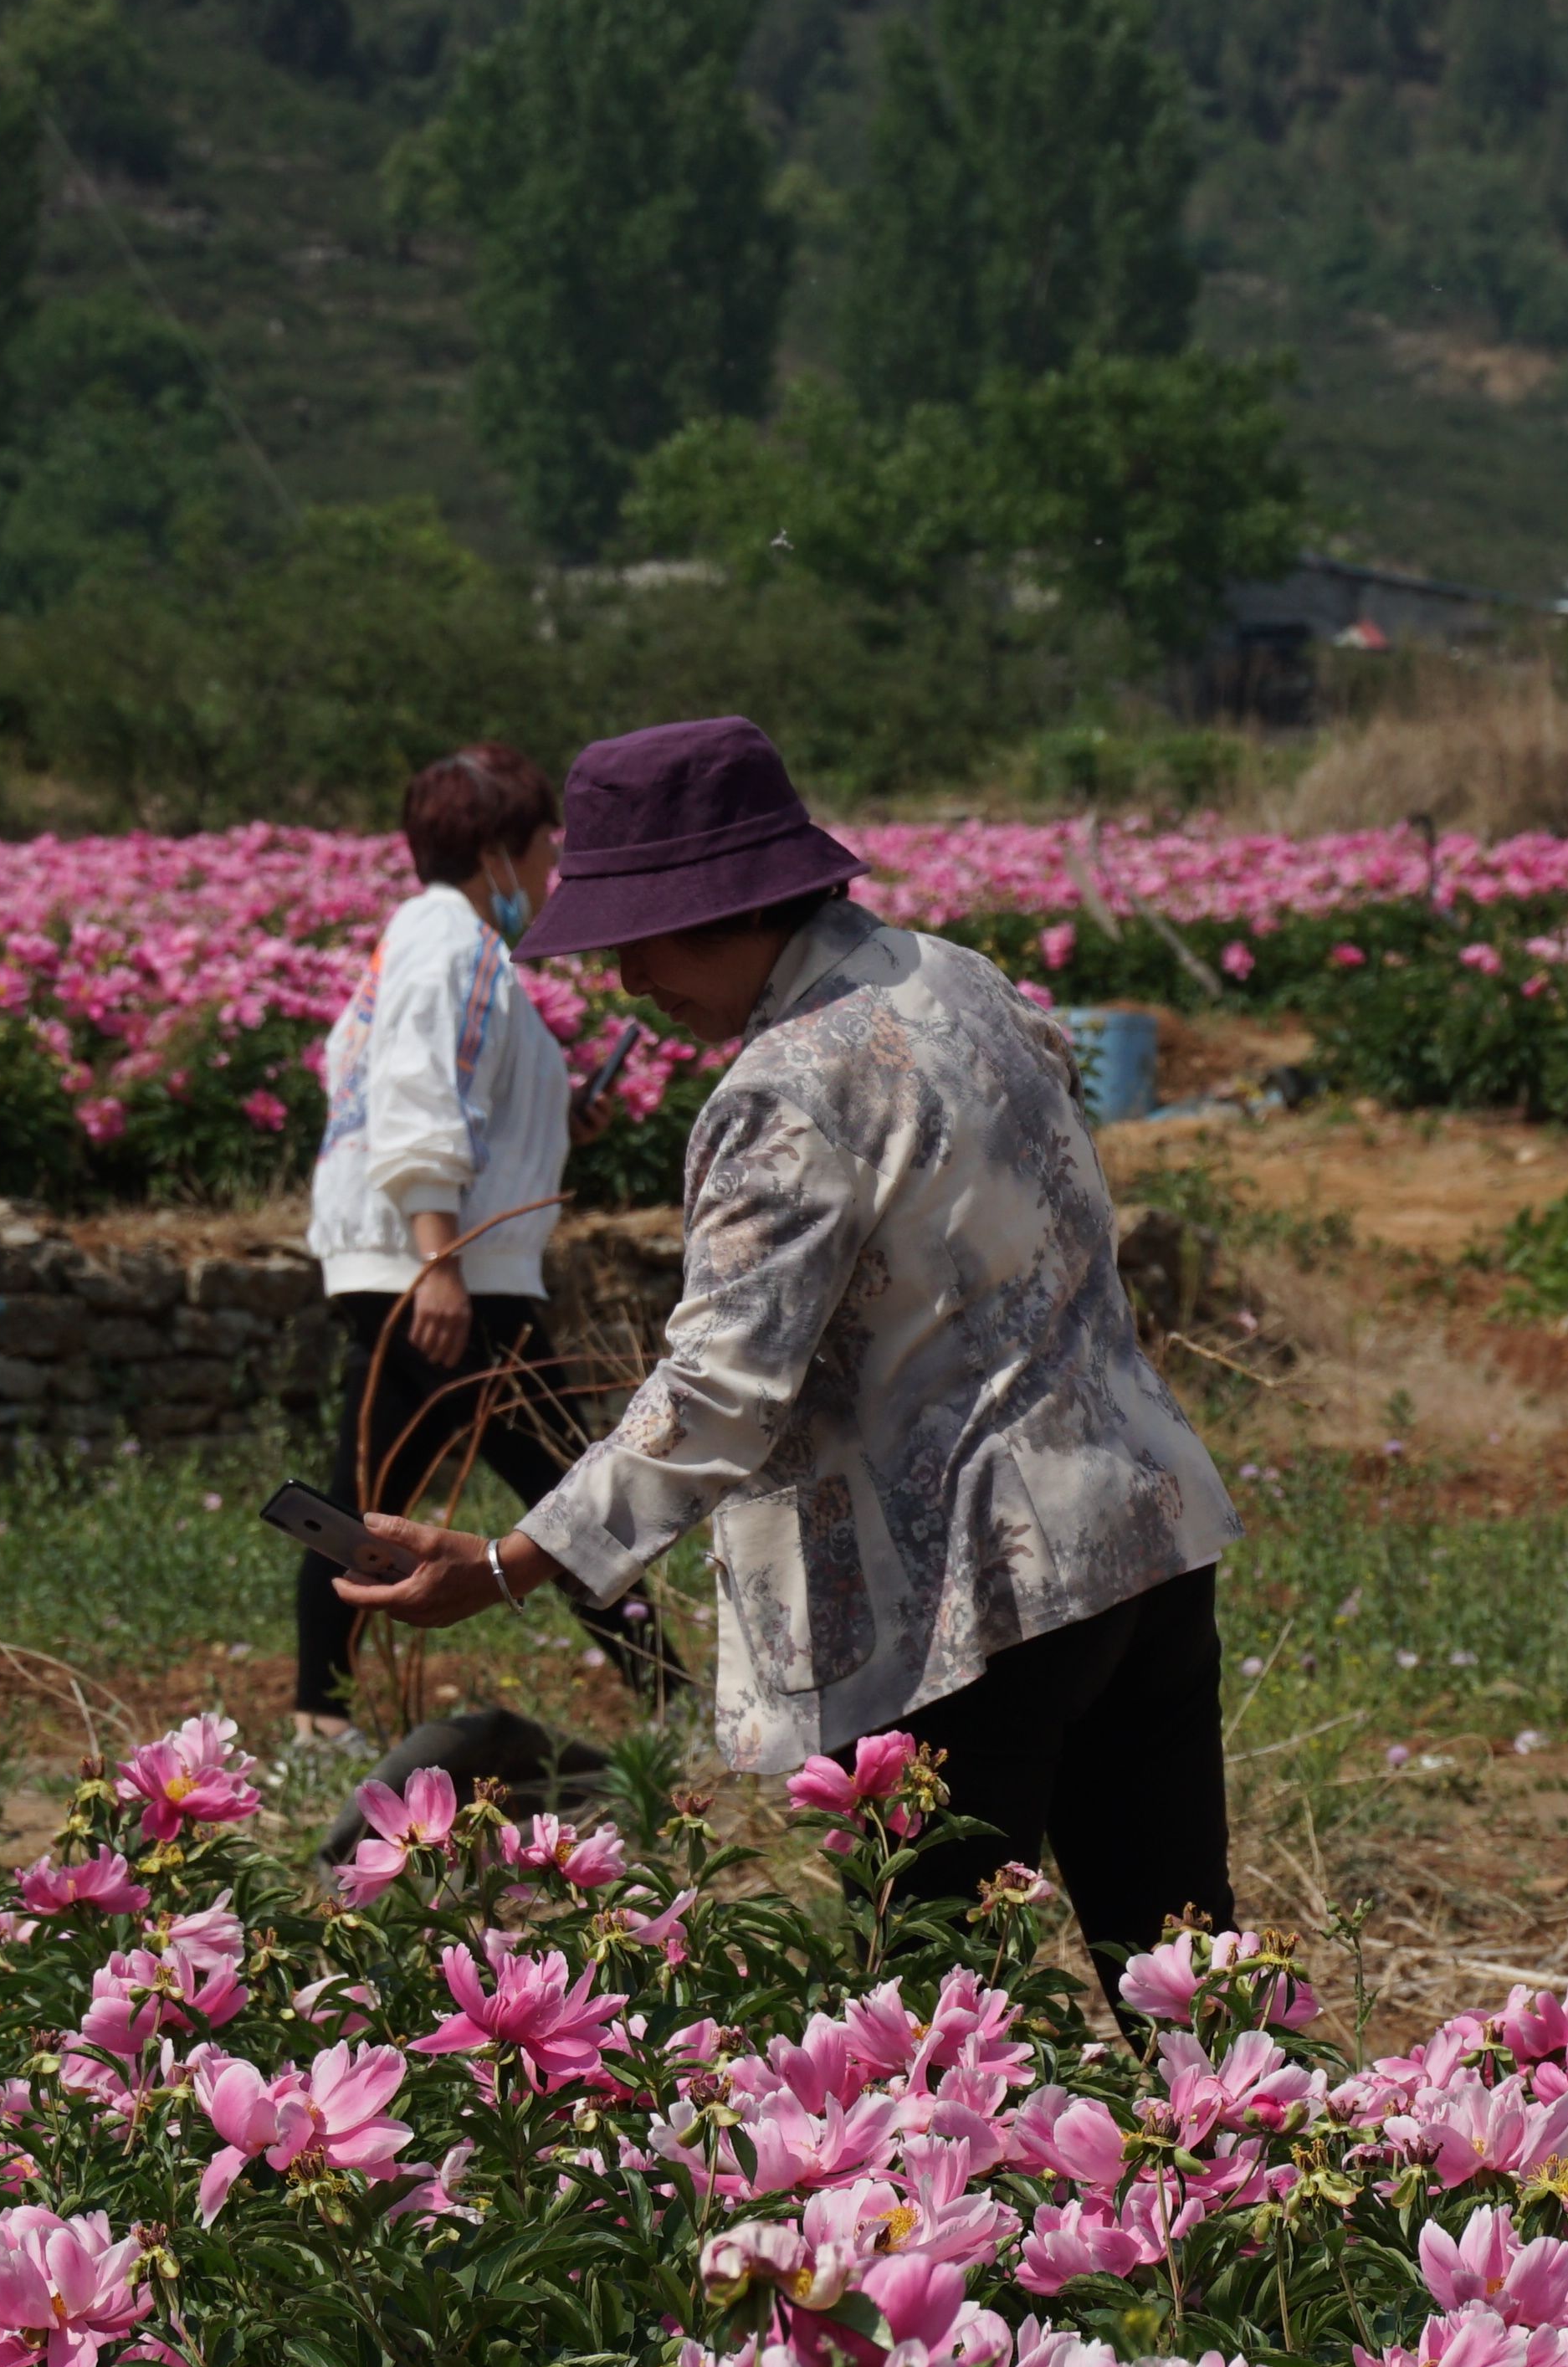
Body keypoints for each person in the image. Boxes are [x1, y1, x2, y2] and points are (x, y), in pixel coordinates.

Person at [334, 715, 1240, 1998]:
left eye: (632, 941)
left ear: (714, 910)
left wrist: (508, 1561)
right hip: (1140, 1537)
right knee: (1192, 1991)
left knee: (930, 2019)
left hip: (973, 1600)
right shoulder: (958, 979)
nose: (628, 981)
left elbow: (720, 1389)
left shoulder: (787, 1087)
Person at [294, 741, 684, 1738]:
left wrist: (562, 1121)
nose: (553, 867)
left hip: (420, 1260)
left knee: (366, 1489)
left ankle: (319, 1716)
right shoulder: (453, 946)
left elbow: (437, 1093)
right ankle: (673, 1702)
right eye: (547, 844)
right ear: (501, 850)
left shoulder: (429, 943)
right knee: (568, 1488)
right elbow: (418, 1099)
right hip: (450, 1270)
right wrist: (439, 1261)